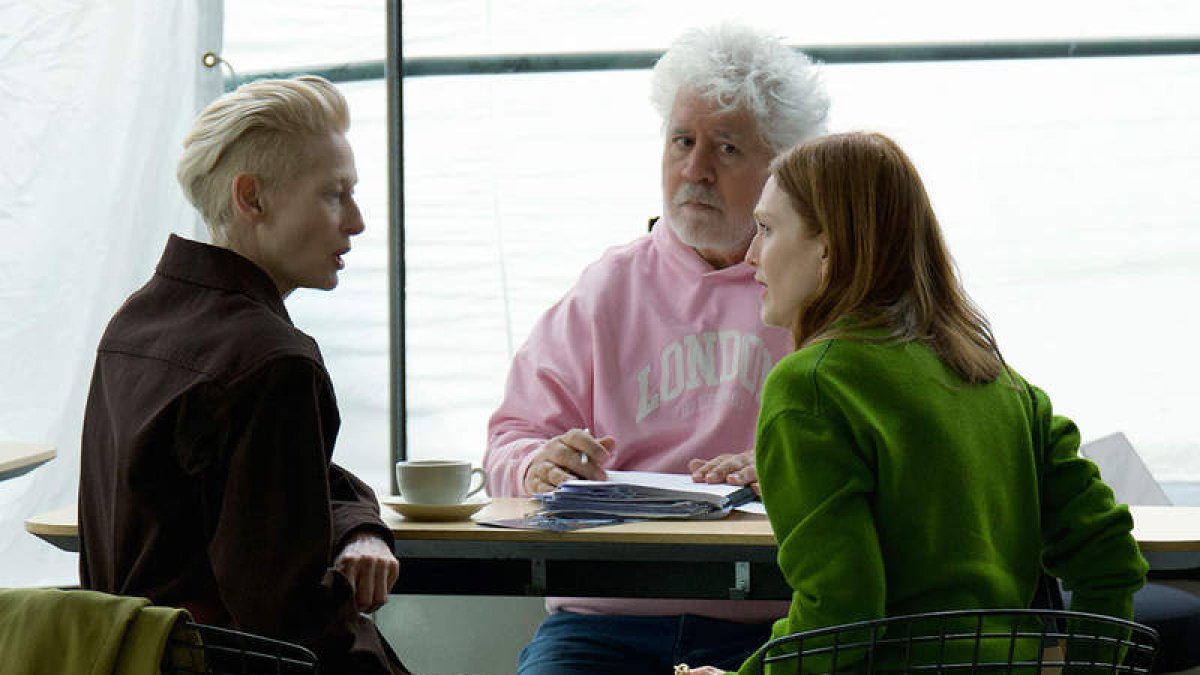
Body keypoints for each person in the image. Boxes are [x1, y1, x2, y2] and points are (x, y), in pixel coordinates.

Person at [685, 131, 1148, 675]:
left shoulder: (810, 386)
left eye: (767, 228)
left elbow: (840, 613)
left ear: (829, 246)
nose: (750, 253)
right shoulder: (1002, 384)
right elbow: (1110, 557)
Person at [483, 23, 830, 675]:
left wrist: (794, 467)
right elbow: (510, 436)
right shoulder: (607, 288)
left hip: (773, 617)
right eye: (682, 141)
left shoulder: (817, 291)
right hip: (603, 621)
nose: (694, 169)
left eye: (725, 148)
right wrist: (539, 465)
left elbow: (876, 453)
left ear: (781, 166)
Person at [78, 76, 410, 675]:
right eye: (335, 195)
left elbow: (271, 481)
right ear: (252, 198)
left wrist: (359, 526)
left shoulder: (136, 325)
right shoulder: (272, 361)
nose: (357, 221)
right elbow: (285, 619)